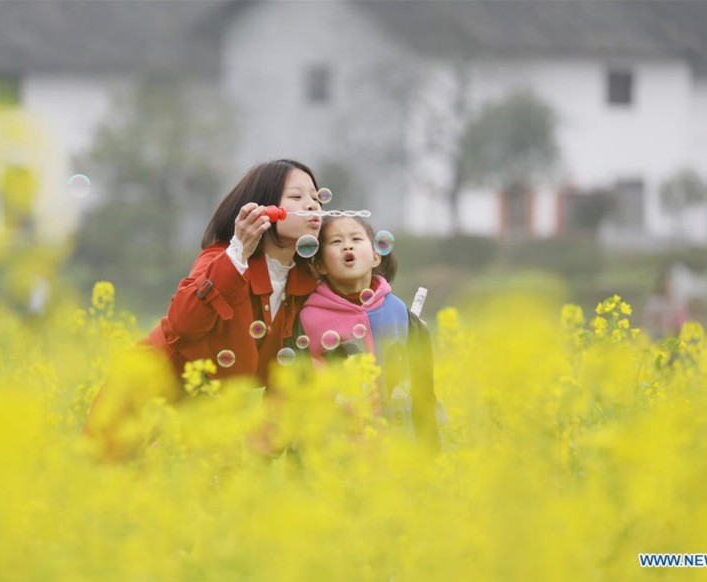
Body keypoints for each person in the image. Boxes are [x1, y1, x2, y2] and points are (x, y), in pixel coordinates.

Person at [84, 159, 323, 454]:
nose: (312, 205)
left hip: (203, 421)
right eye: (297, 197)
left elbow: (291, 373)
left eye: (316, 197)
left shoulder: (306, 283)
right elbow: (183, 323)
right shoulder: (223, 259)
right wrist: (238, 253)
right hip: (143, 397)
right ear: (264, 210)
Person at [295, 215, 440, 452]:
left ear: (375, 257)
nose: (347, 246)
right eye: (336, 242)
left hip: (399, 450)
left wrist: (430, 449)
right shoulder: (309, 319)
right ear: (319, 265)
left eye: (356, 239)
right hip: (340, 453)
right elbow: (300, 389)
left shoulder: (399, 313)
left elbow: (422, 387)